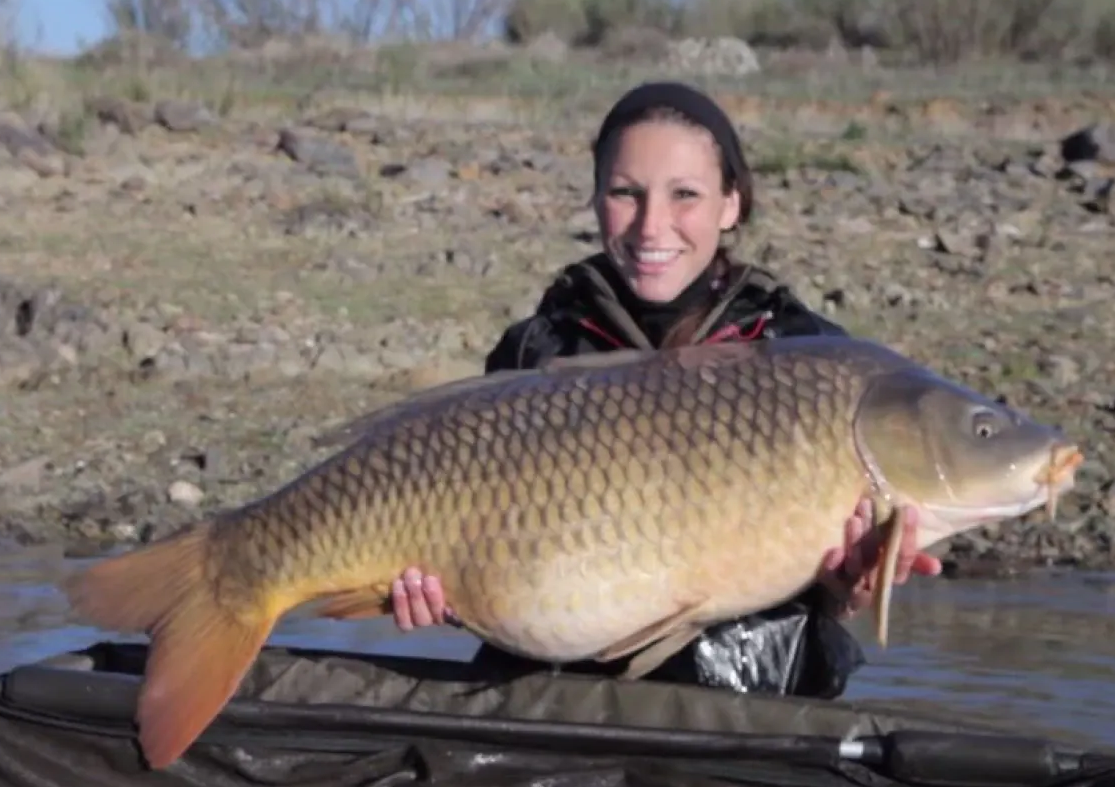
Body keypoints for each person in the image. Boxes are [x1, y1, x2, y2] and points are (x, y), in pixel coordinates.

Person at [386, 81, 940, 699]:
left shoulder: (809, 355)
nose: (652, 226)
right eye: (626, 193)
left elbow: (831, 596)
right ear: (596, 199)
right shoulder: (536, 352)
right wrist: (449, 597)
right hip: (554, 698)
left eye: (685, 195)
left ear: (731, 204)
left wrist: (850, 589)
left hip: (750, 709)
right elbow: (491, 567)